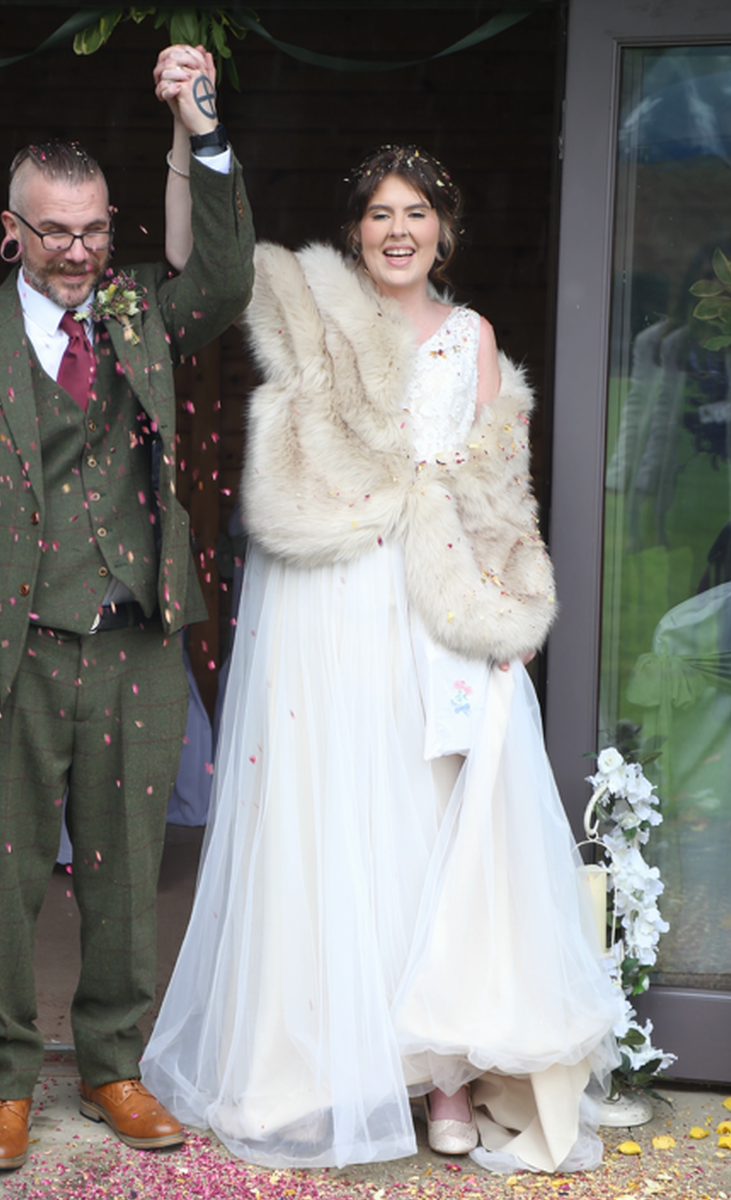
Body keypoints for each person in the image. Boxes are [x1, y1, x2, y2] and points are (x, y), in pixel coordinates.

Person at [140, 131, 621, 1172]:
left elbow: (500, 494)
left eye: (416, 213)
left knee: (432, 819)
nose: (397, 231)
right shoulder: (308, 307)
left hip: (429, 604)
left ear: (443, 230)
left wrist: (504, 620)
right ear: (353, 231)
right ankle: (323, 1065)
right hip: (324, 604)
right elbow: (198, 266)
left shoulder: (472, 337)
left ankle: (441, 1075)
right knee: (329, 819)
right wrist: (189, 143)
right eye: (378, 214)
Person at [0, 46, 254, 1171]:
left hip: (134, 642)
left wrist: (201, 132)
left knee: (125, 869)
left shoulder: (140, 313)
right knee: (5, 879)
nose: (77, 251)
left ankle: (112, 1064)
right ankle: (4, 1082)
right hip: (10, 653)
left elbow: (230, 278)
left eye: (95, 228)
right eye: (54, 231)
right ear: (12, 228)